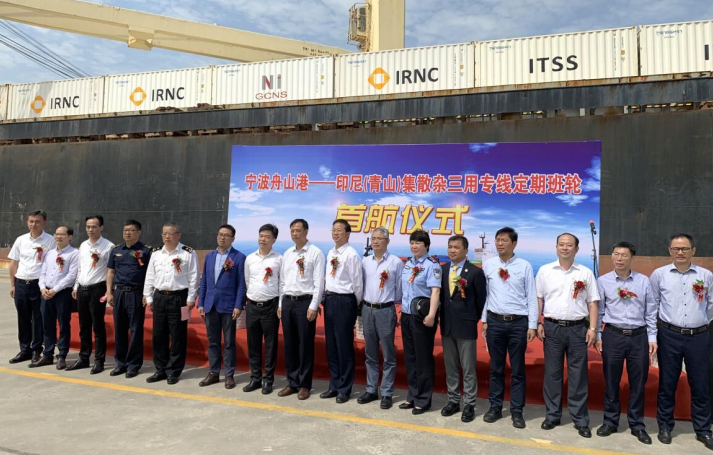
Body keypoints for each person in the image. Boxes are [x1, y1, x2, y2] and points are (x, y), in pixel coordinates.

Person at [651, 233, 713, 450]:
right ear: (670, 251)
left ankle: (703, 430)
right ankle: (665, 426)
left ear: (693, 251)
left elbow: (711, 306)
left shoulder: (706, 276)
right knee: (667, 384)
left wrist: (699, 323)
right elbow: (653, 305)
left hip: (699, 337)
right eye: (676, 249)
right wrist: (654, 335)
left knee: (700, 384)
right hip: (669, 335)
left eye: (685, 248)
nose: (680, 252)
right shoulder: (659, 275)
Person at [536, 233, 600, 438]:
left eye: (569, 245)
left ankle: (580, 419)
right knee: (552, 374)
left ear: (576, 249)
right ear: (556, 247)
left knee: (578, 375)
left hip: (577, 329)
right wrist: (538, 322)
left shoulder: (585, 273)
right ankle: (552, 415)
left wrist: (592, 329)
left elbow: (593, 303)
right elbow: (538, 298)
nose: (565, 248)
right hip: (552, 328)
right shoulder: (545, 271)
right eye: (561, 244)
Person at [594, 241, 657, 444]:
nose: (619, 258)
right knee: (611, 380)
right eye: (616, 254)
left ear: (632, 258)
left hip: (638, 336)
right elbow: (599, 311)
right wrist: (598, 336)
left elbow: (651, 311)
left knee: (638, 382)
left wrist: (652, 338)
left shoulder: (643, 281)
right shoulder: (603, 281)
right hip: (613, 335)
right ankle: (610, 421)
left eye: (624, 255)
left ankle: (637, 425)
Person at [481, 227, 538, 428]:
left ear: (514, 244)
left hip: (517, 323)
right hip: (494, 321)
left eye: (504, 240)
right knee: (496, 368)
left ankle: (517, 411)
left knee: (517, 369)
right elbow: (486, 295)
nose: (499, 243)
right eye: (497, 240)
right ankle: (495, 407)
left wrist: (532, 324)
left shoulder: (524, 266)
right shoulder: (489, 265)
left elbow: (532, 296)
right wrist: (484, 320)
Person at [143, 222, 199, 385]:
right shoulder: (156, 253)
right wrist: (148, 296)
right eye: (164, 234)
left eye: (170, 233)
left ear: (178, 235)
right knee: (158, 335)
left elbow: (194, 277)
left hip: (179, 298)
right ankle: (160, 369)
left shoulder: (188, 253)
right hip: (160, 297)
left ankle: (174, 371)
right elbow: (150, 276)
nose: (167, 236)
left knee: (177, 335)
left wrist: (191, 298)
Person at [439, 235, 486, 422]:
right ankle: (453, 400)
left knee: (468, 368)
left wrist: (471, 318)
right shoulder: (442, 270)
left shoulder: (475, 272)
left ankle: (469, 404)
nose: (452, 250)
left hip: (466, 326)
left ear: (465, 251)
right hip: (447, 325)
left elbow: (481, 301)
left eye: (456, 247)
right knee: (451, 366)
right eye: (450, 247)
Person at [278, 219, 325, 400]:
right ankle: (292, 382)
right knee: (289, 344)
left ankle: (304, 384)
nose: (295, 233)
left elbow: (319, 282)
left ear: (306, 232)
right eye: (292, 230)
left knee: (305, 344)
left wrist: (314, 305)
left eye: (298, 230)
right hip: (288, 302)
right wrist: (281, 303)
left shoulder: (315, 253)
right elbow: (283, 281)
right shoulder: (288, 253)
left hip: (305, 303)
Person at [358, 227, 403, 410]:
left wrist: (390, 304)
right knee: (370, 353)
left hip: (385, 310)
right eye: (373, 238)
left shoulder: (395, 262)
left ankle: (386, 392)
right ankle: (371, 389)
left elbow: (399, 290)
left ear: (387, 241)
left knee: (388, 354)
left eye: (380, 238)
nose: (376, 241)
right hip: (367, 309)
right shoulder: (365, 261)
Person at [320, 219, 364, 403]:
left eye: (339, 230)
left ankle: (345, 388)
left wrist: (353, 303)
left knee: (344, 345)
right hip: (330, 299)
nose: (336, 233)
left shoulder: (351, 254)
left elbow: (357, 283)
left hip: (345, 300)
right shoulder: (331, 252)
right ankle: (334, 385)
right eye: (333, 230)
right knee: (331, 346)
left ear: (348, 233)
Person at [197, 225, 246, 389]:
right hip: (210, 305)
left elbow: (241, 284)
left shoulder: (239, 257)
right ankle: (213, 372)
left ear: (233, 238)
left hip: (229, 306)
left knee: (229, 342)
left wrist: (238, 305)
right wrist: (201, 302)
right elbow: (204, 281)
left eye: (226, 235)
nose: (222, 237)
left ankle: (229, 375)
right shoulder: (210, 256)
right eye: (220, 234)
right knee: (213, 342)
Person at [400, 229, 441, 415]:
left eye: (418, 243)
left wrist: (432, 315)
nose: (414, 246)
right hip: (407, 315)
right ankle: (413, 395)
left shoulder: (432, 265)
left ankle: (423, 400)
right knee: (410, 357)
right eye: (412, 242)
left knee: (423, 358)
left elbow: (435, 291)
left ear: (426, 245)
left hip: (423, 318)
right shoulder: (408, 264)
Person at [106, 219, 153, 378]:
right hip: (119, 293)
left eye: (131, 230)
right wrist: (109, 292)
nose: (128, 233)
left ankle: (133, 364)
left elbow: (150, 275)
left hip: (136, 293)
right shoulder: (116, 250)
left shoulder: (146, 251)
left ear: (139, 232)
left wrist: (147, 294)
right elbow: (111, 272)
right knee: (119, 328)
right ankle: (120, 363)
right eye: (125, 230)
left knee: (135, 329)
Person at [68, 215, 115, 374]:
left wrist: (109, 291)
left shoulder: (108, 246)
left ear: (101, 228)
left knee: (98, 326)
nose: (90, 229)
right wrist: (76, 286)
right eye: (88, 226)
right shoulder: (83, 245)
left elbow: (111, 271)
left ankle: (99, 360)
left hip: (98, 289)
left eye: (94, 227)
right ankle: (83, 358)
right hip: (82, 289)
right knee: (84, 326)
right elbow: (80, 268)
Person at [8, 210, 56, 364]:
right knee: (23, 318)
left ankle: (36, 350)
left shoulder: (50, 241)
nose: (33, 224)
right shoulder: (21, 240)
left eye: (37, 221)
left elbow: (54, 264)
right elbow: (14, 263)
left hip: (39, 285)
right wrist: (13, 284)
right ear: (27, 222)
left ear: (44, 223)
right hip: (21, 283)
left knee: (38, 319)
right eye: (31, 221)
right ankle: (25, 350)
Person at [30, 225, 79, 370]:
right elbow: (43, 273)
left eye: (62, 234)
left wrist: (55, 290)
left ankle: (62, 356)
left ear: (70, 237)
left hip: (62, 294)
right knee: (47, 325)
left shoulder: (74, 253)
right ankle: (47, 354)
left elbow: (71, 276)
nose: (58, 237)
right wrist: (42, 288)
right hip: (46, 293)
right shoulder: (50, 253)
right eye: (56, 234)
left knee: (63, 325)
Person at [242, 224, 280, 394]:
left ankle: (268, 380)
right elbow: (247, 280)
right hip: (252, 306)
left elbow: (282, 283)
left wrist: (279, 305)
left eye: (267, 236)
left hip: (270, 307)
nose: (263, 239)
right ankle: (255, 378)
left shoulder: (279, 259)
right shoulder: (250, 258)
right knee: (253, 344)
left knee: (270, 345)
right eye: (261, 235)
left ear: (274, 240)